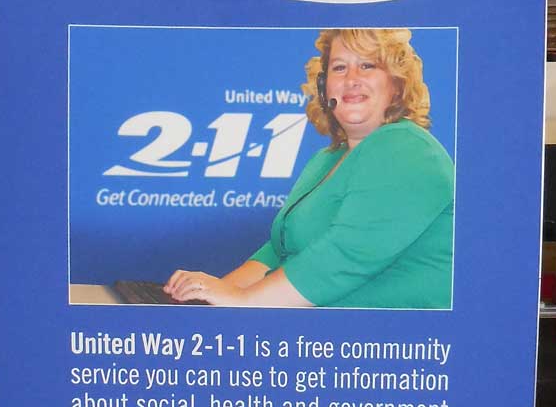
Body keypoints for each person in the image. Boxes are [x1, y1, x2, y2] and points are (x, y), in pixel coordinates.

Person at [165, 28, 454, 309]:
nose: (352, 79)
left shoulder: (407, 148)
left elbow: (344, 256)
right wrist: (209, 299)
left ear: (397, 84)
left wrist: (244, 300)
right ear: (324, 86)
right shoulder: (326, 160)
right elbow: (277, 251)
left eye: (367, 65)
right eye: (339, 68)